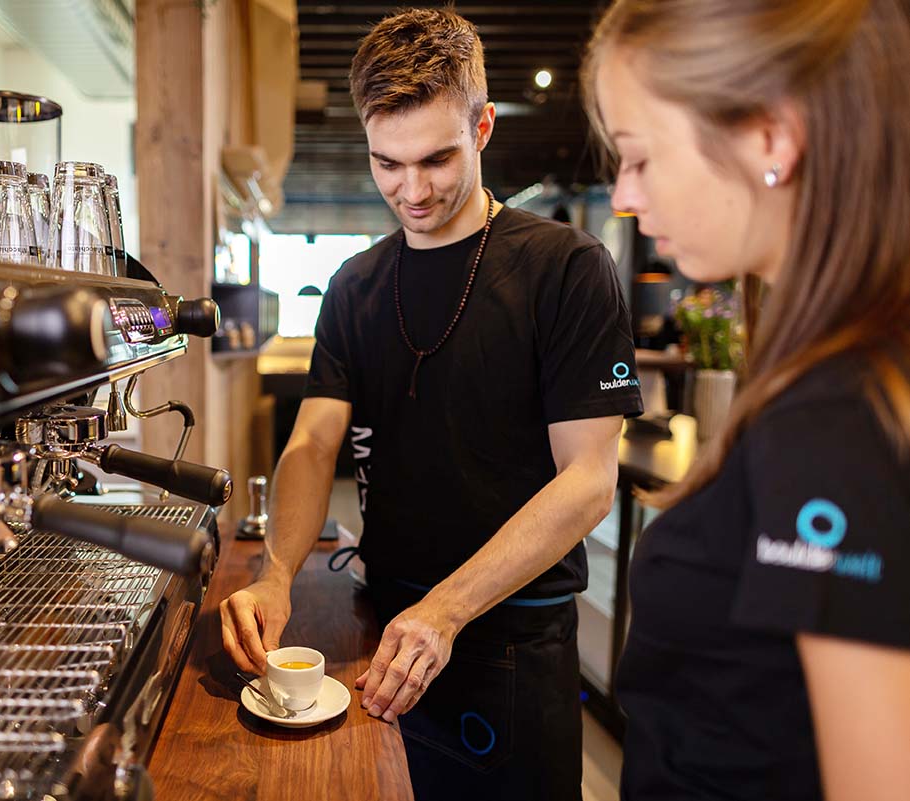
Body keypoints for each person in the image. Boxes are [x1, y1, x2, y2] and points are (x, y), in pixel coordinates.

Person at [221, 8, 643, 798]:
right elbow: (313, 444)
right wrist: (276, 573)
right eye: (387, 163)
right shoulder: (353, 286)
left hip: (508, 640)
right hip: (379, 625)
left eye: (436, 159)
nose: (410, 189)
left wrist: (447, 609)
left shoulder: (564, 268)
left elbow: (587, 479)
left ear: (482, 127)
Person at [583, 1, 910, 799]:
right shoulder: (833, 375)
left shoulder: (831, 417)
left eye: (638, 157)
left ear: (770, 136)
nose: (623, 195)